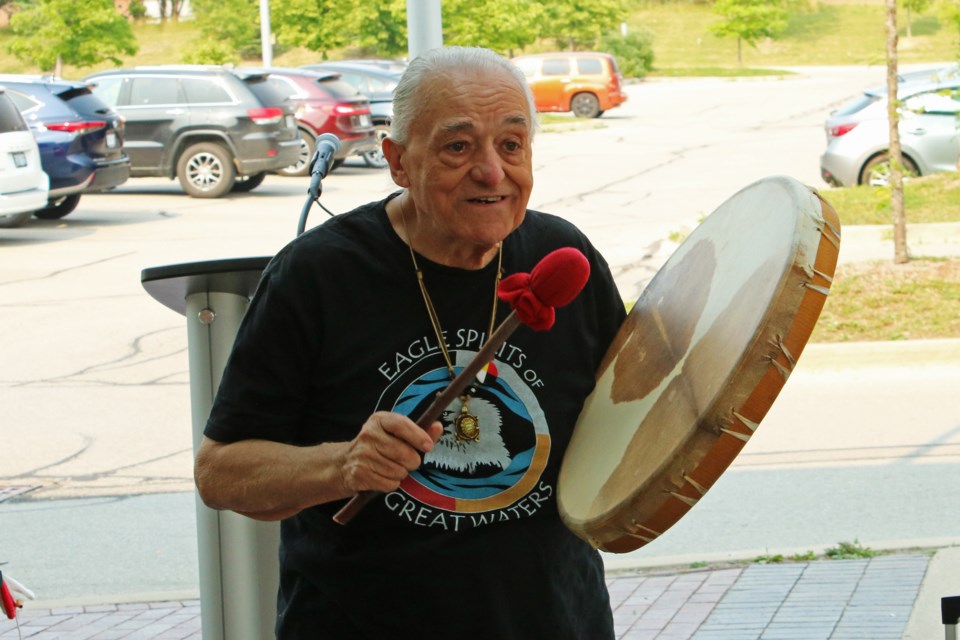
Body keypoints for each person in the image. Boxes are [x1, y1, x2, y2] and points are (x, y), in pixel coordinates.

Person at [194, 45, 627, 639]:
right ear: (397, 160)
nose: (492, 172)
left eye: (511, 144)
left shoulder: (563, 261)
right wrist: (342, 464)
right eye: (458, 146)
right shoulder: (317, 276)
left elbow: (632, 418)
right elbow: (220, 473)